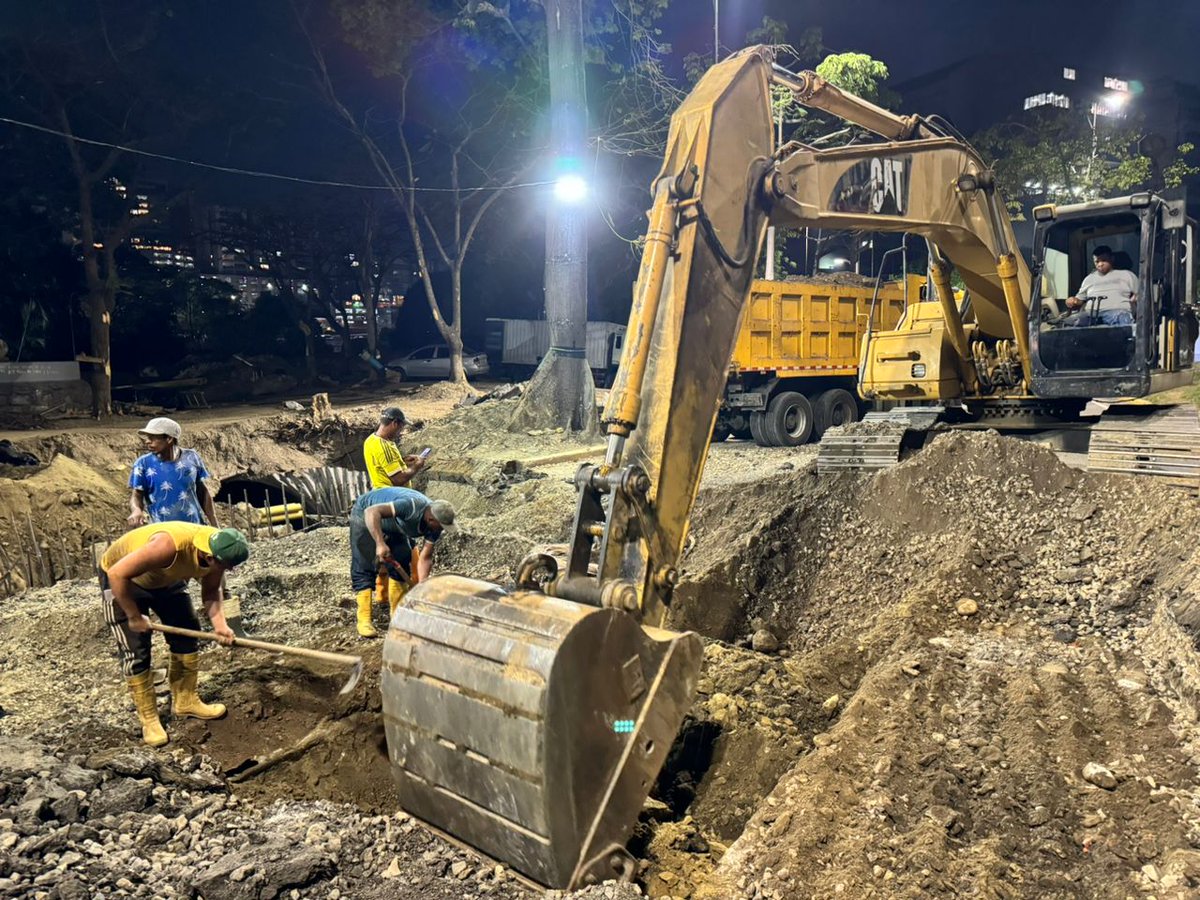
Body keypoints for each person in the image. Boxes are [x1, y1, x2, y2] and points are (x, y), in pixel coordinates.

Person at [100, 522, 250, 747]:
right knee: (136, 649)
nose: (228, 571)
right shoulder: (168, 547)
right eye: (227, 566)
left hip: (163, 578)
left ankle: (185, 699)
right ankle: (149, 719)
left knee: (188, 630)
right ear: (210, 556)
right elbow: (117, 573)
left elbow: (210, 590)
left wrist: (220, 625)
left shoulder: (215, 551)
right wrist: (133, 616)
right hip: (125, 579)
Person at [348, 487, 455, 637]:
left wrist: (422, 587)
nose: (442, 529)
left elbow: (426, 557)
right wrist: (379, 543)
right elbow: (371, 512)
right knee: (364, 563)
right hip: (366, 515)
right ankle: (364, 620)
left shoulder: (435, 525)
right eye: (441, 526)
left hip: (393, 524)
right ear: (431, 519)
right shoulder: (411, 506)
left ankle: (397, 616)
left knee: (402, 556)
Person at [128, 417, 219, 527]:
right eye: (147, 437)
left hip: (194, 526)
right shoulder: (143, 464)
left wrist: (214, 523)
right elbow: (137, 494)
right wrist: (136, 510)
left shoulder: (192, 457)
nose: (147, 441)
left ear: (169, 439)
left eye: (153, 438)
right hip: (162, 530)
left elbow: (202, 491)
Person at [1065, 246, 1138, 327]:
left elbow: (1140, 296)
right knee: (1069, 322)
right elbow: (1080, 300)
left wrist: (1136, 298)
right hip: (1091, 315)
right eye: (1097, 261)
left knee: (1123, 318)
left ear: (1112, 259)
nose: (1100, 264)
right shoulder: (1089, 279)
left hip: (1117, 313)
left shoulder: (1127, 275)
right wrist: (1073, 301)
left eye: (1103, 260)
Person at [363, 407, 427, 490]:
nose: (401, 431)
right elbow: (398, 479)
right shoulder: (384, 446)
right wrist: (416, 466)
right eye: (401, 427)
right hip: (391, 493)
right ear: (395, 423)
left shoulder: (371, 439)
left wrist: (403, 462)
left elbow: (383, 466)